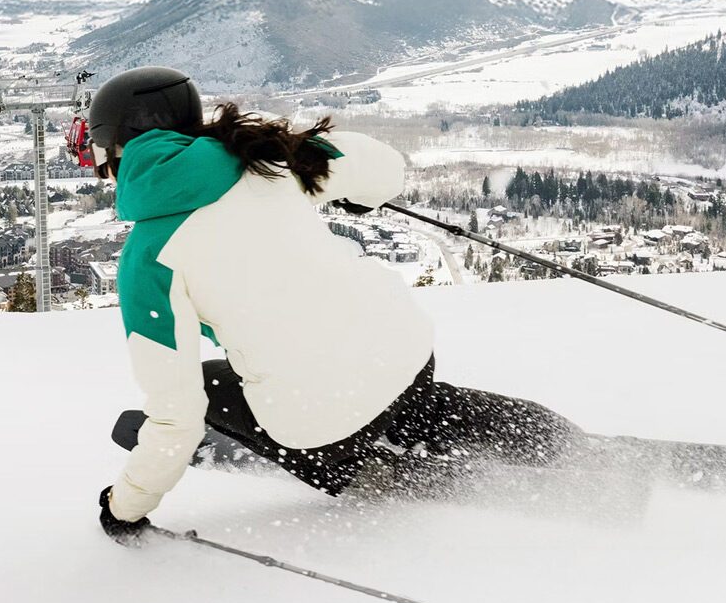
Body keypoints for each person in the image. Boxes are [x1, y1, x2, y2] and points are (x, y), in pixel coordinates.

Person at [87, 67, 582, 545]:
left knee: (209, 383)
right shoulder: (268, 159)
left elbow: (177, 417)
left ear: (118, 146)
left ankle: (376, 469)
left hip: (321, 423)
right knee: (420, 404)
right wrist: (362, 196)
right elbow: (382, 165)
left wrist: (124, 506)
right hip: (407, 355)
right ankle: (566, 446)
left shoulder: (148, 260)